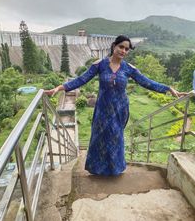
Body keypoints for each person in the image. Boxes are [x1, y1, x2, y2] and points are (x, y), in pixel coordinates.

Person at [44, 35, 187, 176]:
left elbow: (147, 82)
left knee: (115, 139)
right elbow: (81, 79)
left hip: (120, 110)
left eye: (126, 49)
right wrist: (58, 88)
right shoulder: (99, 65)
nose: (123, 51)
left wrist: (168, 89)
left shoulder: (129, 68)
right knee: (98, 138)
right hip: (102, 109)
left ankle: (114, 170)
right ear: (114, 46)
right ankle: (97, 169)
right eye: (121, 47)